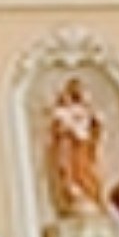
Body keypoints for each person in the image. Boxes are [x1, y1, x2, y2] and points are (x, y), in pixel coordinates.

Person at [45, 78, 108, 217]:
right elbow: (59, 130)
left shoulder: (86, 111)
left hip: (85, 146)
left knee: (87, 170)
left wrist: (94, 124)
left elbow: (95, 128)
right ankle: (75, 191)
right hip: (71, 144)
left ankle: (91, 195)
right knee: (72, 168)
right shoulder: (64, 113)